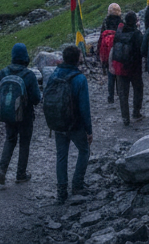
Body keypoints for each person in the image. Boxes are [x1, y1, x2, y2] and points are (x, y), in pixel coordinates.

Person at [48, 45, 94, 203]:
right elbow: (84, 107)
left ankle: (61, 191)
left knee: (61, 155)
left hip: (58, 122)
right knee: (84, 151)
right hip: (75, 124)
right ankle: (77, 185)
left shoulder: (54, 75)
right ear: (78, 59)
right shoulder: (79, 79)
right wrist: (89, 130)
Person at [0, 43, 41, 184]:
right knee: (24, 143)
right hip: (25, 116)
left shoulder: (3, 73)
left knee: (10, 140)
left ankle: (2, 170)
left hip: (8, 115)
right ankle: (21, 174)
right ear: (25, 57)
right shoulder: (29, 75)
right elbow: (36, 99)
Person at [111, 11, 144, 125]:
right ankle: (136, 112)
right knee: (138, 89)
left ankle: (125, 117)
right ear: (135, 21)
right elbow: (142, 50)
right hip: (135, 67)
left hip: (121, 67)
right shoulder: (137, 34)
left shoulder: (119, 32)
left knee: (123, 93)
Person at [98, 3, 122, 105]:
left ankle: (110, 96)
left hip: (107, 51)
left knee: (110, 75)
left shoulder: (105, 22)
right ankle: (120, 93)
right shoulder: (121, 22)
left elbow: (101, 36)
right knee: (119, 73)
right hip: (118, 50)